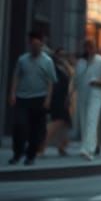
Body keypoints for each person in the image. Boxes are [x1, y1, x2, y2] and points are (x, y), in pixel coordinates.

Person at [7, 31, 57, 166]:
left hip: (39, 98)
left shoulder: (47, 61)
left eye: (38, 45)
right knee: (20, 126)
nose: (35, 47)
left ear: (42, 44)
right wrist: (12, 93)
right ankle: (17, 154)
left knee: (36, 130)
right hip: (22, 98)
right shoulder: (22, 59)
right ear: (29, 45)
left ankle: (30, 156)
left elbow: (51, 82)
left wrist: (48, 99)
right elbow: (16, 76)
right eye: (33, 45)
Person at [75, 38, 101, 161]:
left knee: (91, 120)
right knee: (84, 121)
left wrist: (99, 82)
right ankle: (85, 146)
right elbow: (76, 79)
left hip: (96, 94)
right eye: (87, 47)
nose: (89, 49)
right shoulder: (81, 62)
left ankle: (90, 150)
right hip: (83, 94)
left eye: (91, 47)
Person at [41, 47, 74, 156]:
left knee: (65, 124)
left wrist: (65, 64)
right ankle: (40, 146)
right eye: (60, 55)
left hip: (65, 98)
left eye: (64, 55)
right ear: (55, 56)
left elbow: (73, 76)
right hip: (57, 98)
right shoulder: (53, 67)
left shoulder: (65, 68)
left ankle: (62, 147)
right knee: (57, 122)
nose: (62, 58)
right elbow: (50, 82)